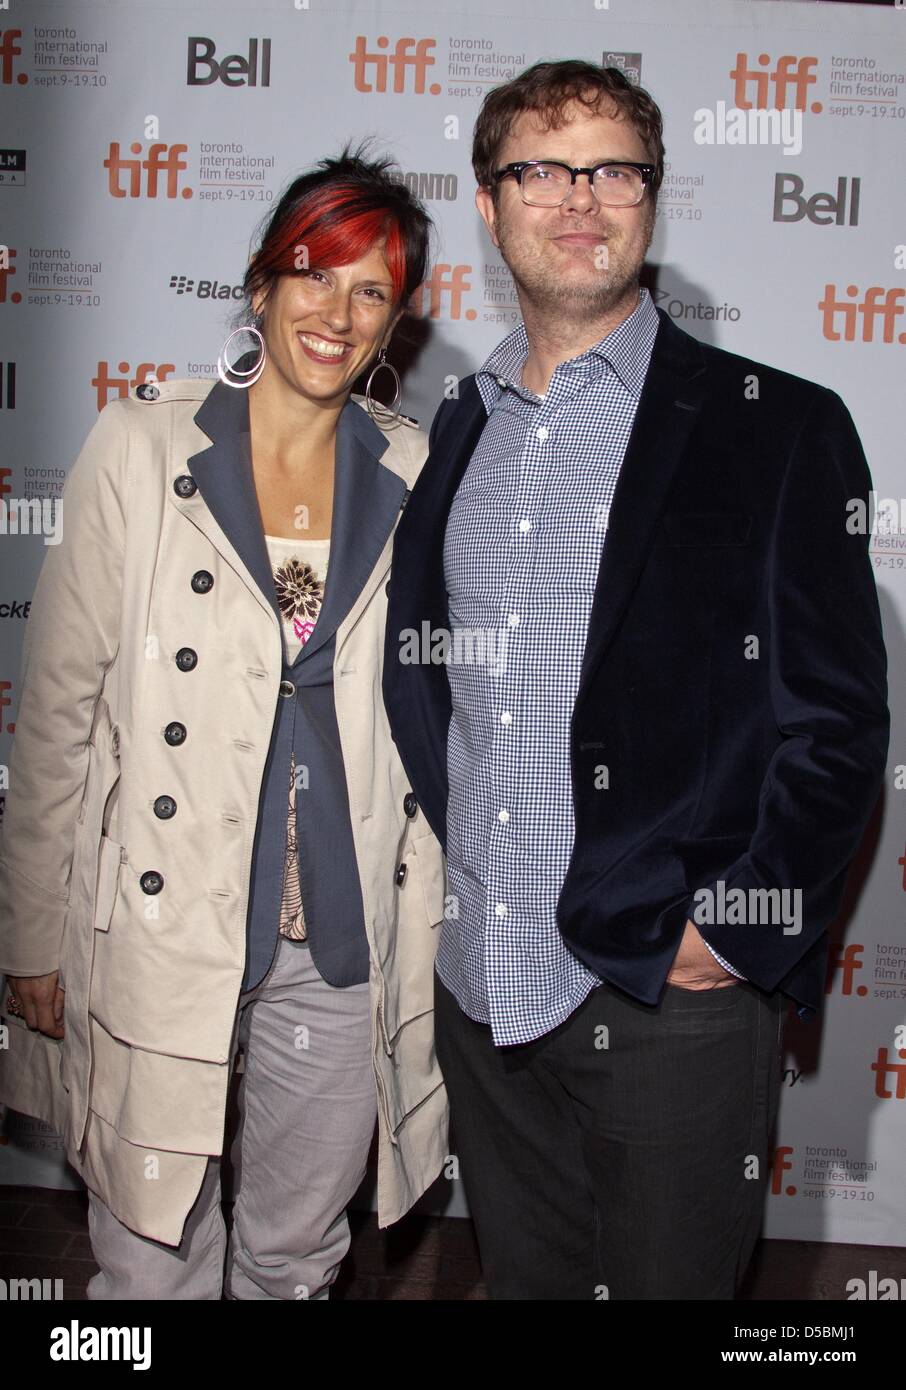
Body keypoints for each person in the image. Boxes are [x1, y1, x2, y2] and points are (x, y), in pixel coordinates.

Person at [383, 62, 889, 1300]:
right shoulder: (462, 426)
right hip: (484, 984)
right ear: (492, 205)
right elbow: (432, 682)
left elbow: (836, 722)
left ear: (652, 199)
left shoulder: (779, 424)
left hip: (675, 993)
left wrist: (736, 926)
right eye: (541, 171)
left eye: (614, 170)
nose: (580, 200)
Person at [0, 146, 449, 1300]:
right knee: (148, 1255)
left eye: (371, 292)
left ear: (395, 324)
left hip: (340, 940)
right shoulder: (143, 450)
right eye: (316, 273)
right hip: (164, 917)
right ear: (261, 285)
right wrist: (31, 931)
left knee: (297, 1255)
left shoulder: (416, 474)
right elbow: (57, 710)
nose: (337, 312)